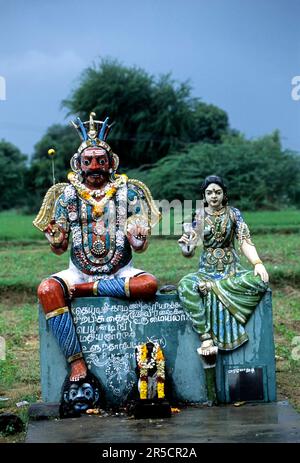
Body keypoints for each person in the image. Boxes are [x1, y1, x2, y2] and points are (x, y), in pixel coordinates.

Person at [34, 113, 160, 382]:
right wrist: (56, 239)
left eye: (100, 160)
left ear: (111, 163)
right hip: (78, 271)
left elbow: (139, 247)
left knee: (149, 284)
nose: (94, 166)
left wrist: (139, 238)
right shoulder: (67, 196)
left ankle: (84, 291)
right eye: (88, 161)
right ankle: (77, 363)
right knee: (47, 289)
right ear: (77, 164)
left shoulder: (128, 193)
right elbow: (60, 247)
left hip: (120, 271)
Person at [177, 175, 269, 403]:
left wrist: (257, 263)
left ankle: (216, 289)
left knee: (259, 281)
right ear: (204, 196)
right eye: (209, 193)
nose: (214, 196)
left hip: (231, 272)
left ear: (224, 194)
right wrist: (185, 246)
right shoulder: (198, 216)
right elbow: (189, 249)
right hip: (206, 271)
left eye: (217, 192)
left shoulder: (234, 214)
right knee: (186, 285)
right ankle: (206, 336)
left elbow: (245, 240)